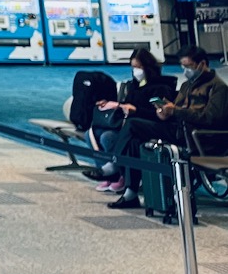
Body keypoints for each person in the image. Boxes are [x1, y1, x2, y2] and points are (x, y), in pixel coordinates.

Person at [106, 45, 227, 210]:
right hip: (176, 129)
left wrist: (176, 111)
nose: (186, 70)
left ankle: (114, 163)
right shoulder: (187, 85)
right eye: (183, 66)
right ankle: (130, 193)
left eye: (189, 66)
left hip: (197, 137)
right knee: (135, 142)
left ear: (202, 64)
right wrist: (163, 113)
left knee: (133, 124)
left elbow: (211, 118)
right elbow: (174, 110)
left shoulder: (218, 88)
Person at [80, 47, 174, 192]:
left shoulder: (160, 87)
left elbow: (157, 114)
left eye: (139, 67)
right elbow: (127, 105)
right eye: (133, 67)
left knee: (108, 137)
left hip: (145, 125)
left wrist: (135, 110)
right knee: (91, 133)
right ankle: (107, 173)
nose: (136, 71)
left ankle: (116, 170)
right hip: (127, 124)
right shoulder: (133, 86)